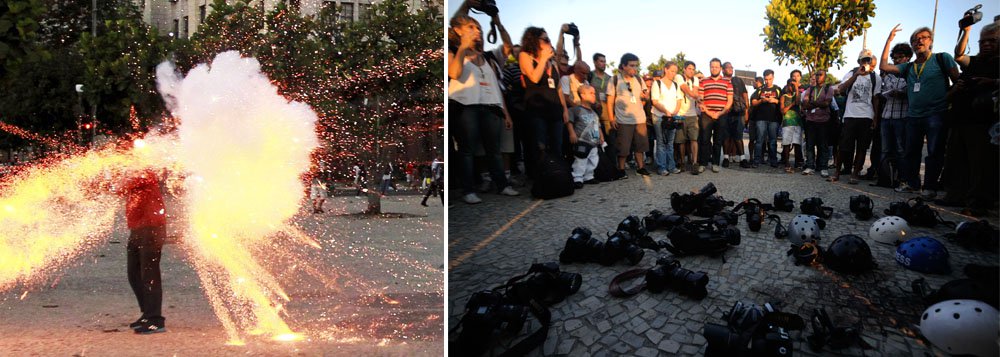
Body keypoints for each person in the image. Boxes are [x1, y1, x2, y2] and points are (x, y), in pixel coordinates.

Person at [879, 25, 960, 197]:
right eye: (915, 40)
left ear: (930, 41)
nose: (919, 41)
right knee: (911, 153)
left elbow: (958, 82)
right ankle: (912, 184)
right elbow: (884, 67)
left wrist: (945, 99)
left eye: (923, 38)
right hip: (913, 116)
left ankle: (930, 187)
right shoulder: (908, 67)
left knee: (934, 152)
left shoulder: (941, 58)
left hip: (936, 114)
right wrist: (889, 39)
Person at [449, 11, 519, 204]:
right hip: (465, 106)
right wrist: (463, 47)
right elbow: (454, 73)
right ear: (458, 30)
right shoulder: (453, 51)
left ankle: (502, 185)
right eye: (471, 27)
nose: (477, 31)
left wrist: (498, 23)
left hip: (491, 106)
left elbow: (508, 47)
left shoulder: (489, 56)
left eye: (478, 27)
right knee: (467, 150)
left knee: (494, 149)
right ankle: (468, 190)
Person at [938, 21, 999, 215]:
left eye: (992, 41)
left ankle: (978, 202)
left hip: (983, 120)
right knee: (955, 160)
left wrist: (993, 82)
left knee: (980, 163)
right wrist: (966, 31)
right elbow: (959, 55)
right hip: (960, 117)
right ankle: (954, 195)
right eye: (983, 41)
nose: (987, 44)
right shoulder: (974, 61)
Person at [119, 168, 168, 334]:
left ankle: (155, 320)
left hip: (152, 228)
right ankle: (147, 313)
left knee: (149, 274)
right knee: (134, 273)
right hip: (137, 228)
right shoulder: (133, 169)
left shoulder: (144, 170)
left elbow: (124, 185)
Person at [520, 27, 571, 159]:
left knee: (557, 146)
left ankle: (558, 175)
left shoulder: (552, 62)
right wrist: (543, 59)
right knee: (540, 146)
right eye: (545, 39)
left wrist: (565, 109)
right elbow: (534, 78)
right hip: (537, 110)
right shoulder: (525, 56)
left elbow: (559, 87)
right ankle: (541, 176)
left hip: (555, 109)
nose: (549, 42)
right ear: (534, 40)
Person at [832, 49, 882, 184]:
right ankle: (837, 172)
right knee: (843, 146)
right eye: (863, 60)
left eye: (868, 60)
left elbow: (876, 98)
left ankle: (855, 173)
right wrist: (856, 75)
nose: (866, 63)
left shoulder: (875, 77)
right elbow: (840, 89)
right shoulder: (851, 73)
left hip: (866, 116)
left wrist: (876, 118)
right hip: (850, 115)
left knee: (862, 147)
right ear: (859, 61)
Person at [607, 52, 650, 177]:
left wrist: (645, 97)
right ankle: (621, 169)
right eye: (631, 65)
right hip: (623, 119)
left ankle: (641, 167)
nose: (634, 68)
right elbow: (610, 102)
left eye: (636, 66)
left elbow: (645, 97)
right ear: (623, 66)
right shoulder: (614, 79)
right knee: (623, 147)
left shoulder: (639, 79)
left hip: (639, 119)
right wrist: (611, 118)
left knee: (640, 146)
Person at [878, 43, 912, 188]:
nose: (897, 60)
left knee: (900, 150)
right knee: (885, 150)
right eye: (895, 58)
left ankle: (902, 180)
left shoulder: (911, 74)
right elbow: (883, 92)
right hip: (886, 116)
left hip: (902, 117)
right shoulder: (888, 75)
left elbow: (910, 92)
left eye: (900, 57)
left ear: (908, 58)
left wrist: (902, 93)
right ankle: (885, 179)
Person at [697, 58, 733, 173]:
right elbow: (700, 99)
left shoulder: (728, 82)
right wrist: (709, 112)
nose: (714, 69)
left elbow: (730, 101)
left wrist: (719, 113)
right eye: (712, 66)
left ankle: (715, 163)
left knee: (718, 140)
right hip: (706, 114)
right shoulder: (703, 81)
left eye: (717, 67)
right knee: (704, 140)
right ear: (709, 67)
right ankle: (703, 163)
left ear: (721, 68)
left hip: (721, 114)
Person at [800, 69, 835, 178]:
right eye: (817, 75)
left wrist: (813, 103)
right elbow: (804, 104)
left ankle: (823, 167)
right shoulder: (810, 89)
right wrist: (818, 104)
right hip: (810, 120)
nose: (818, 77)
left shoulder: (829, 89)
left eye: (821, 75)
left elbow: (826, 103)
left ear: (825, 77)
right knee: (810, 144)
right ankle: (810, 166)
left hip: (824, 121)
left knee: (822, 145)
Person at [568, 85, 605, 187]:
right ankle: (577, 178)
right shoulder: (576, 110)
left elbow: (598, 125)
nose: (594, 95)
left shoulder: (594, 112)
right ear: (583, 95)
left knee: (593, 160)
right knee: (580, 160)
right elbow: (569, 122)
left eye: (594, 93)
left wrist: (601, 136)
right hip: (582, 140)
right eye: (591, 93)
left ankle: (589, 176)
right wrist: (572, 133)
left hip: (593, 142)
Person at [651, 63, 683, 175]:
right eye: (672, 71)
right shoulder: (657, 83)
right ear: (666, 70)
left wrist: (675, 112)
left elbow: (679, 100)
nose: (673, 73)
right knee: (661, 142)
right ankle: (661, 167)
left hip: (672, 118)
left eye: (675, 71)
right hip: (660, 117)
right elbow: (654, 101)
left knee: (670, 143)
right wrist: (666, 111)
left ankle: (671, 166)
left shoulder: (675, 85)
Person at [750, 69, 782, 168]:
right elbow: (753, 102)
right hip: (760, 119)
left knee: (773, 141)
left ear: (773, 78)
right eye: (766, 79)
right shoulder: (760, 90)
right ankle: (757, 160)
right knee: (759, 140)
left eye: (770, 79)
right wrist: (761, 101)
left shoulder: (778, 89)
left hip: (774, 119)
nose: (768, 81)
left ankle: (773, 161)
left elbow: (783, 102)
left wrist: (775, 101)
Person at [674, 61, 701, 174]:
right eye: (689, 68)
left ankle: (694, 162)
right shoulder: (679, 77)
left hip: (692, 114)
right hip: (680, 114)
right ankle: (682, 161)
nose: (691, 71)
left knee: (694, 139)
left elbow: (693, 92)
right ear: (684, 69)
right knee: (681, 140)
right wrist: (698, 97)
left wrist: (696, 95)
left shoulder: (695, 80)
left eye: (693, 69)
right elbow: (686, 89)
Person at [722, 62, 749, 168]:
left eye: (731, 67)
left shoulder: (738, 80)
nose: (730, 69)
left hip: (739, 112)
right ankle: (726, 158)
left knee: (738, 136)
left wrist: (747, 112)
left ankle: (742, 158)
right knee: (726, 137)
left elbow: (745, 96)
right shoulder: (720, 81)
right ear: (723, 70)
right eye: (728, 67)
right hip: (725, 113)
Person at [779, 78, 804, 172]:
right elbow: (783, 111)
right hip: (787, 123)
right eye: (791, 85)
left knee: (797, 143)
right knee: (786, 143)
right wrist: (791, 104)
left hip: (797, 122)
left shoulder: (797, 95)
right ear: (787, 85)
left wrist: (797, 88)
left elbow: (798, 102)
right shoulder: (784, 96)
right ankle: (786, 162)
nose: (792, 87)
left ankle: (798, 163)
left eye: (793, 85)